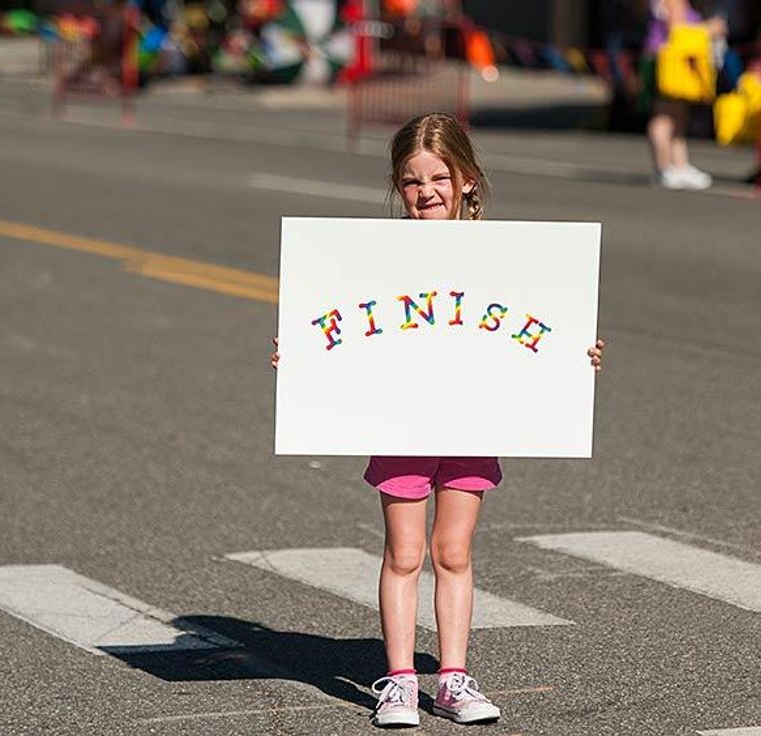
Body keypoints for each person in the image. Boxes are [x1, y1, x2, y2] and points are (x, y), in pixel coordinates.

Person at [269, 112, 606, 728]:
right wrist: (299, 360)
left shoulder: (506, 259)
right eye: (410, 180)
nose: (426, 191)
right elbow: (333, 326)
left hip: (473, 421)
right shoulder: (377, 260)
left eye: (438, 177)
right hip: (400, 420)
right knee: (403, 553)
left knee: (453, 550)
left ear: (468, 181)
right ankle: (399, 681)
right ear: (398, 188)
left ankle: (452, 678)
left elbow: (543, 329)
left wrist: (576, 356)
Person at [644, 0, 727, 189]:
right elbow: (678, 32)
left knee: (678, 115)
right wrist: (709, 28)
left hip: (672, 63)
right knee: (665, 115)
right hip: (667, 63)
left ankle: (679, 164)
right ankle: (664, 167)